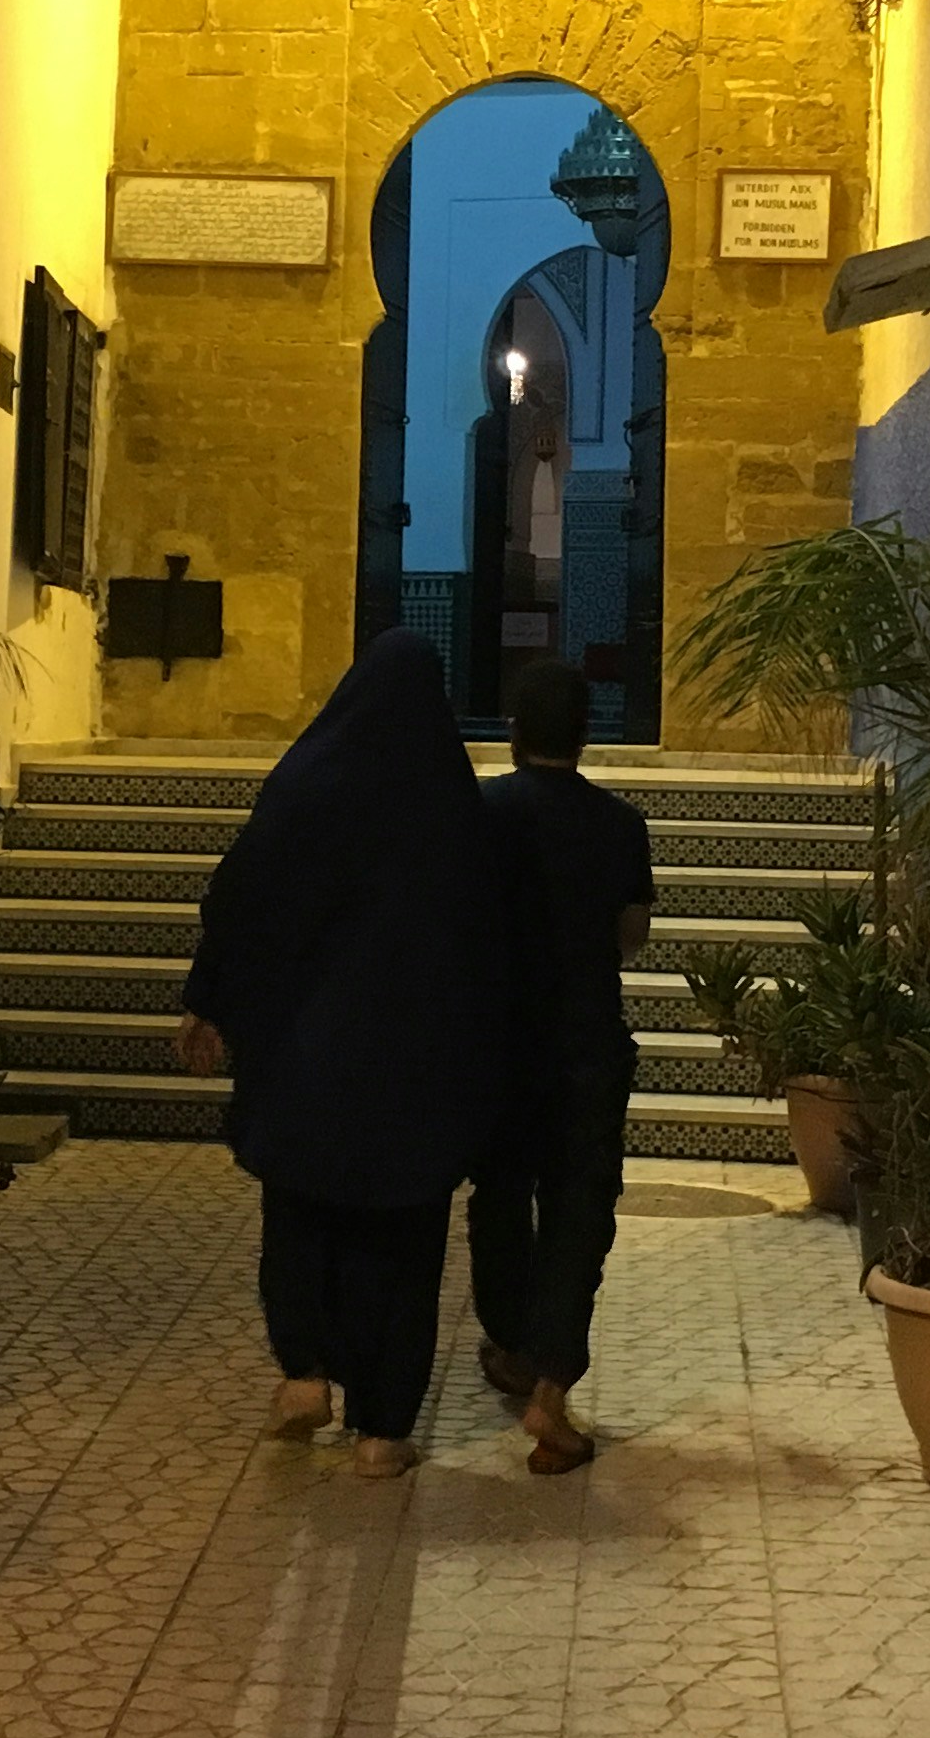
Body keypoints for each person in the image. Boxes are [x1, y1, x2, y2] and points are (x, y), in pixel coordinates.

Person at [176, 631, 506, 1477]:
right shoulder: (450, 803)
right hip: (412, 1068)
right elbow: (484, 941)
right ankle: (382, 1430)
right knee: (402, 1242)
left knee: (299, 1212)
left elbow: (237, 898)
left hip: (304, 1058)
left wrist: (209, 1001)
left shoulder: (306, 782)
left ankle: (304, 1373)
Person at [466, 656, 656, 1474]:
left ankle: (509, 1343)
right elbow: (631, 935)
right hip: (585, 1040)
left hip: (499, 1038)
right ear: (585, 736)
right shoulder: (619, 824)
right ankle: (549, 1389)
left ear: (514, 733)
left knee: (499, 1194)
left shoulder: (479, 813)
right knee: (580, 1209)